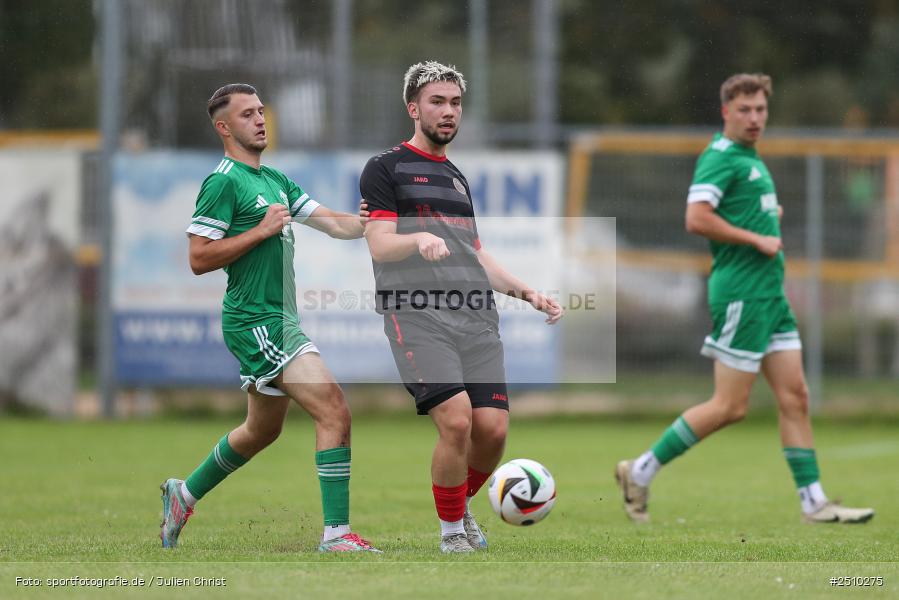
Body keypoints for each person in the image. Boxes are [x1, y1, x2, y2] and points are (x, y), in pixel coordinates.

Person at [615, 73, 874, 525]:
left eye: (760, 110)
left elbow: (733, 214)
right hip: (742, 294)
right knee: (730, 406)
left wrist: (765, 218)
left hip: (770, 295)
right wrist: (756, 237)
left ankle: (814, 502)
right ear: (726, 112)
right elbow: (696, 218)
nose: (754, 118)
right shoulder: (720, 157)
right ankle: (639, 471)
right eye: (745, 110)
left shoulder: (749, 157)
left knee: (795, 396)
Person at [160, 83, 380, 552]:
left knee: (262, 430)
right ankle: (337, 536)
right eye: (247, 115)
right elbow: (199, 258)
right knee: (334, 409)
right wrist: (260, 231)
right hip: (256, 319)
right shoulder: (223, 181)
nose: (260, 120)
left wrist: (370, 218)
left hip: (277, 318)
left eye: (261, 111)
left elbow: (336, 224)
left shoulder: (276, 179)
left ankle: (184, 494)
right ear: (224, 127)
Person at [359, 61, 563, 553]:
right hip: (416, 315)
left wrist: (527, 292)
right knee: (456, 421)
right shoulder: (384, 168)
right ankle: (452, 534)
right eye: (437, 102)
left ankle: (461, 505)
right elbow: (379, 245)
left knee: (492, 431)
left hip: (475, 315)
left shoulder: (456, 177)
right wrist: (418, 238)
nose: (448, 112)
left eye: (454, 103)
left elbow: (476, 254)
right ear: (414, 108)